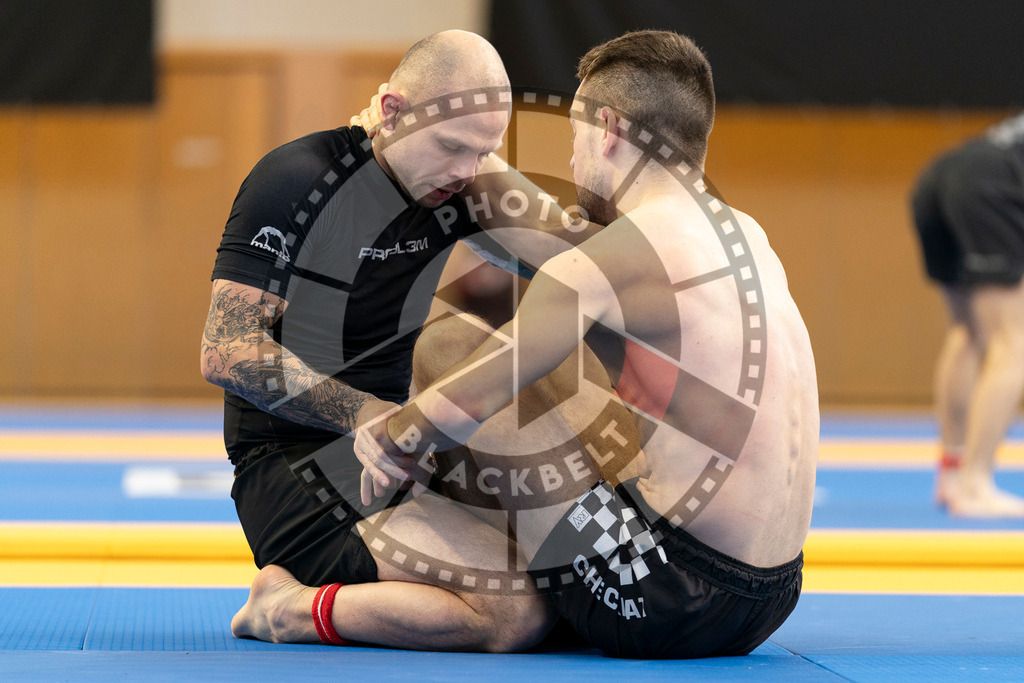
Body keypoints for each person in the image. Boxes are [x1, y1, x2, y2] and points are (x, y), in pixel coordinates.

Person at [237, 30, 819, 659]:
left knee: (454, 350)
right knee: (536, 358)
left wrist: (387, 435)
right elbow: (562, 240)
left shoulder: (611, 260)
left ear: (607, 129)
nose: (570, 167)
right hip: (778, 593)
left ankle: (291, 607)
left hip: (665, 597)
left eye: (572, 142)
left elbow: (478, 392)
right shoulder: (744, 235)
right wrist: (434, 140)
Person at [203, 29, 610, 652]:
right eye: (452, 146)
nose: (465, 172)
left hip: (404, 454)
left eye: (484, 152)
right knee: (517, 614)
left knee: (572, 585)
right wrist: (370, 416)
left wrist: (482, 159)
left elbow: (584, 257)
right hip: (297, 468)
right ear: (390, 112)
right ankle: (287, 609)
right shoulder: (297, 181)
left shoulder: (457, 184)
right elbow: (227, 349)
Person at [911, 113, 1024, 518]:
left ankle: (952, 473)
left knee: (968, 334)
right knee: (1013, 344)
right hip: (989, 184)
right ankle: (975, 484)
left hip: (941, 175)